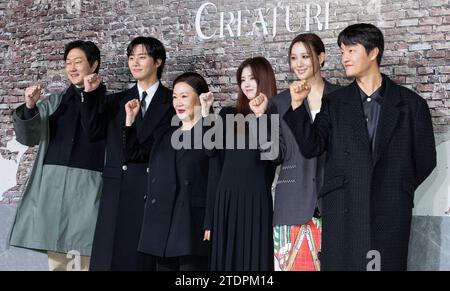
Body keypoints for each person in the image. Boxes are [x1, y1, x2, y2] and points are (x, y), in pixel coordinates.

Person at [285, 23, 436, 270]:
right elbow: (312, 146)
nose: (344, 58)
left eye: (351, 50)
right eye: (342, 51)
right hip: (343, 208)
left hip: (389, 210)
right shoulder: (334, 102)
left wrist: (397, 186)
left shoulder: (411, 105)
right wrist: (297, 106)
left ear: (373, 52)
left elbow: (426, 158)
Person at [8, 40, 106, 271]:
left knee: (85, 261)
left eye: (78, 62)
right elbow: (27, 138)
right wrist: (30, 106)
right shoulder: (53, 103)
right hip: (53, 192)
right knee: (58, 265)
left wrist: (90, 96)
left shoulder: (109, 103)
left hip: (88, 190)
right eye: (68, 62)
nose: (72, 67)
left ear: (94, 65)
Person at [80, 36, 175, 270]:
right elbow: (92, 132)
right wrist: (91, 95)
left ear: (158, 61)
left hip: (149, 190)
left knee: (140, 261)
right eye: (131, 57)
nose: (135, 63)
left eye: (142, 57)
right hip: (116, 190)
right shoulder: (115, 101)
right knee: (109, 259)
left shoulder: (174, 102)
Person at [123, 72, 218, 271]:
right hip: (163, 222)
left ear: (200, 97)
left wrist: (207, 113)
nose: (178, 102)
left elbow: (214, 171)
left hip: (193, 222)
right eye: (175, 96)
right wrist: (130, 121)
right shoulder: (165, 133)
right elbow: (135, 154)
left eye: (184, 96)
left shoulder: (212, 130)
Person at [270, 33, 341, 271]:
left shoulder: (342, 99)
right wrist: (260, 120)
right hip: (291, 204)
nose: (298, 63)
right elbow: (274, 155)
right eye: (293, 58)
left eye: (305, 56)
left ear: (321, 58)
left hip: (333, 204)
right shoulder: (279, 103)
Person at [207, 56, 278, 271]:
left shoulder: (276, 114)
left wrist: (259, 116)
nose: (246, 83)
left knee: (253, 261)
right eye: (242, 79)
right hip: (226, 198)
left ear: (264, 79)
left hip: (256, 198)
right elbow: (209, 151)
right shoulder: (228, 113)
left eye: (252, 78)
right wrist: (206, 112)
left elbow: (273, 155)